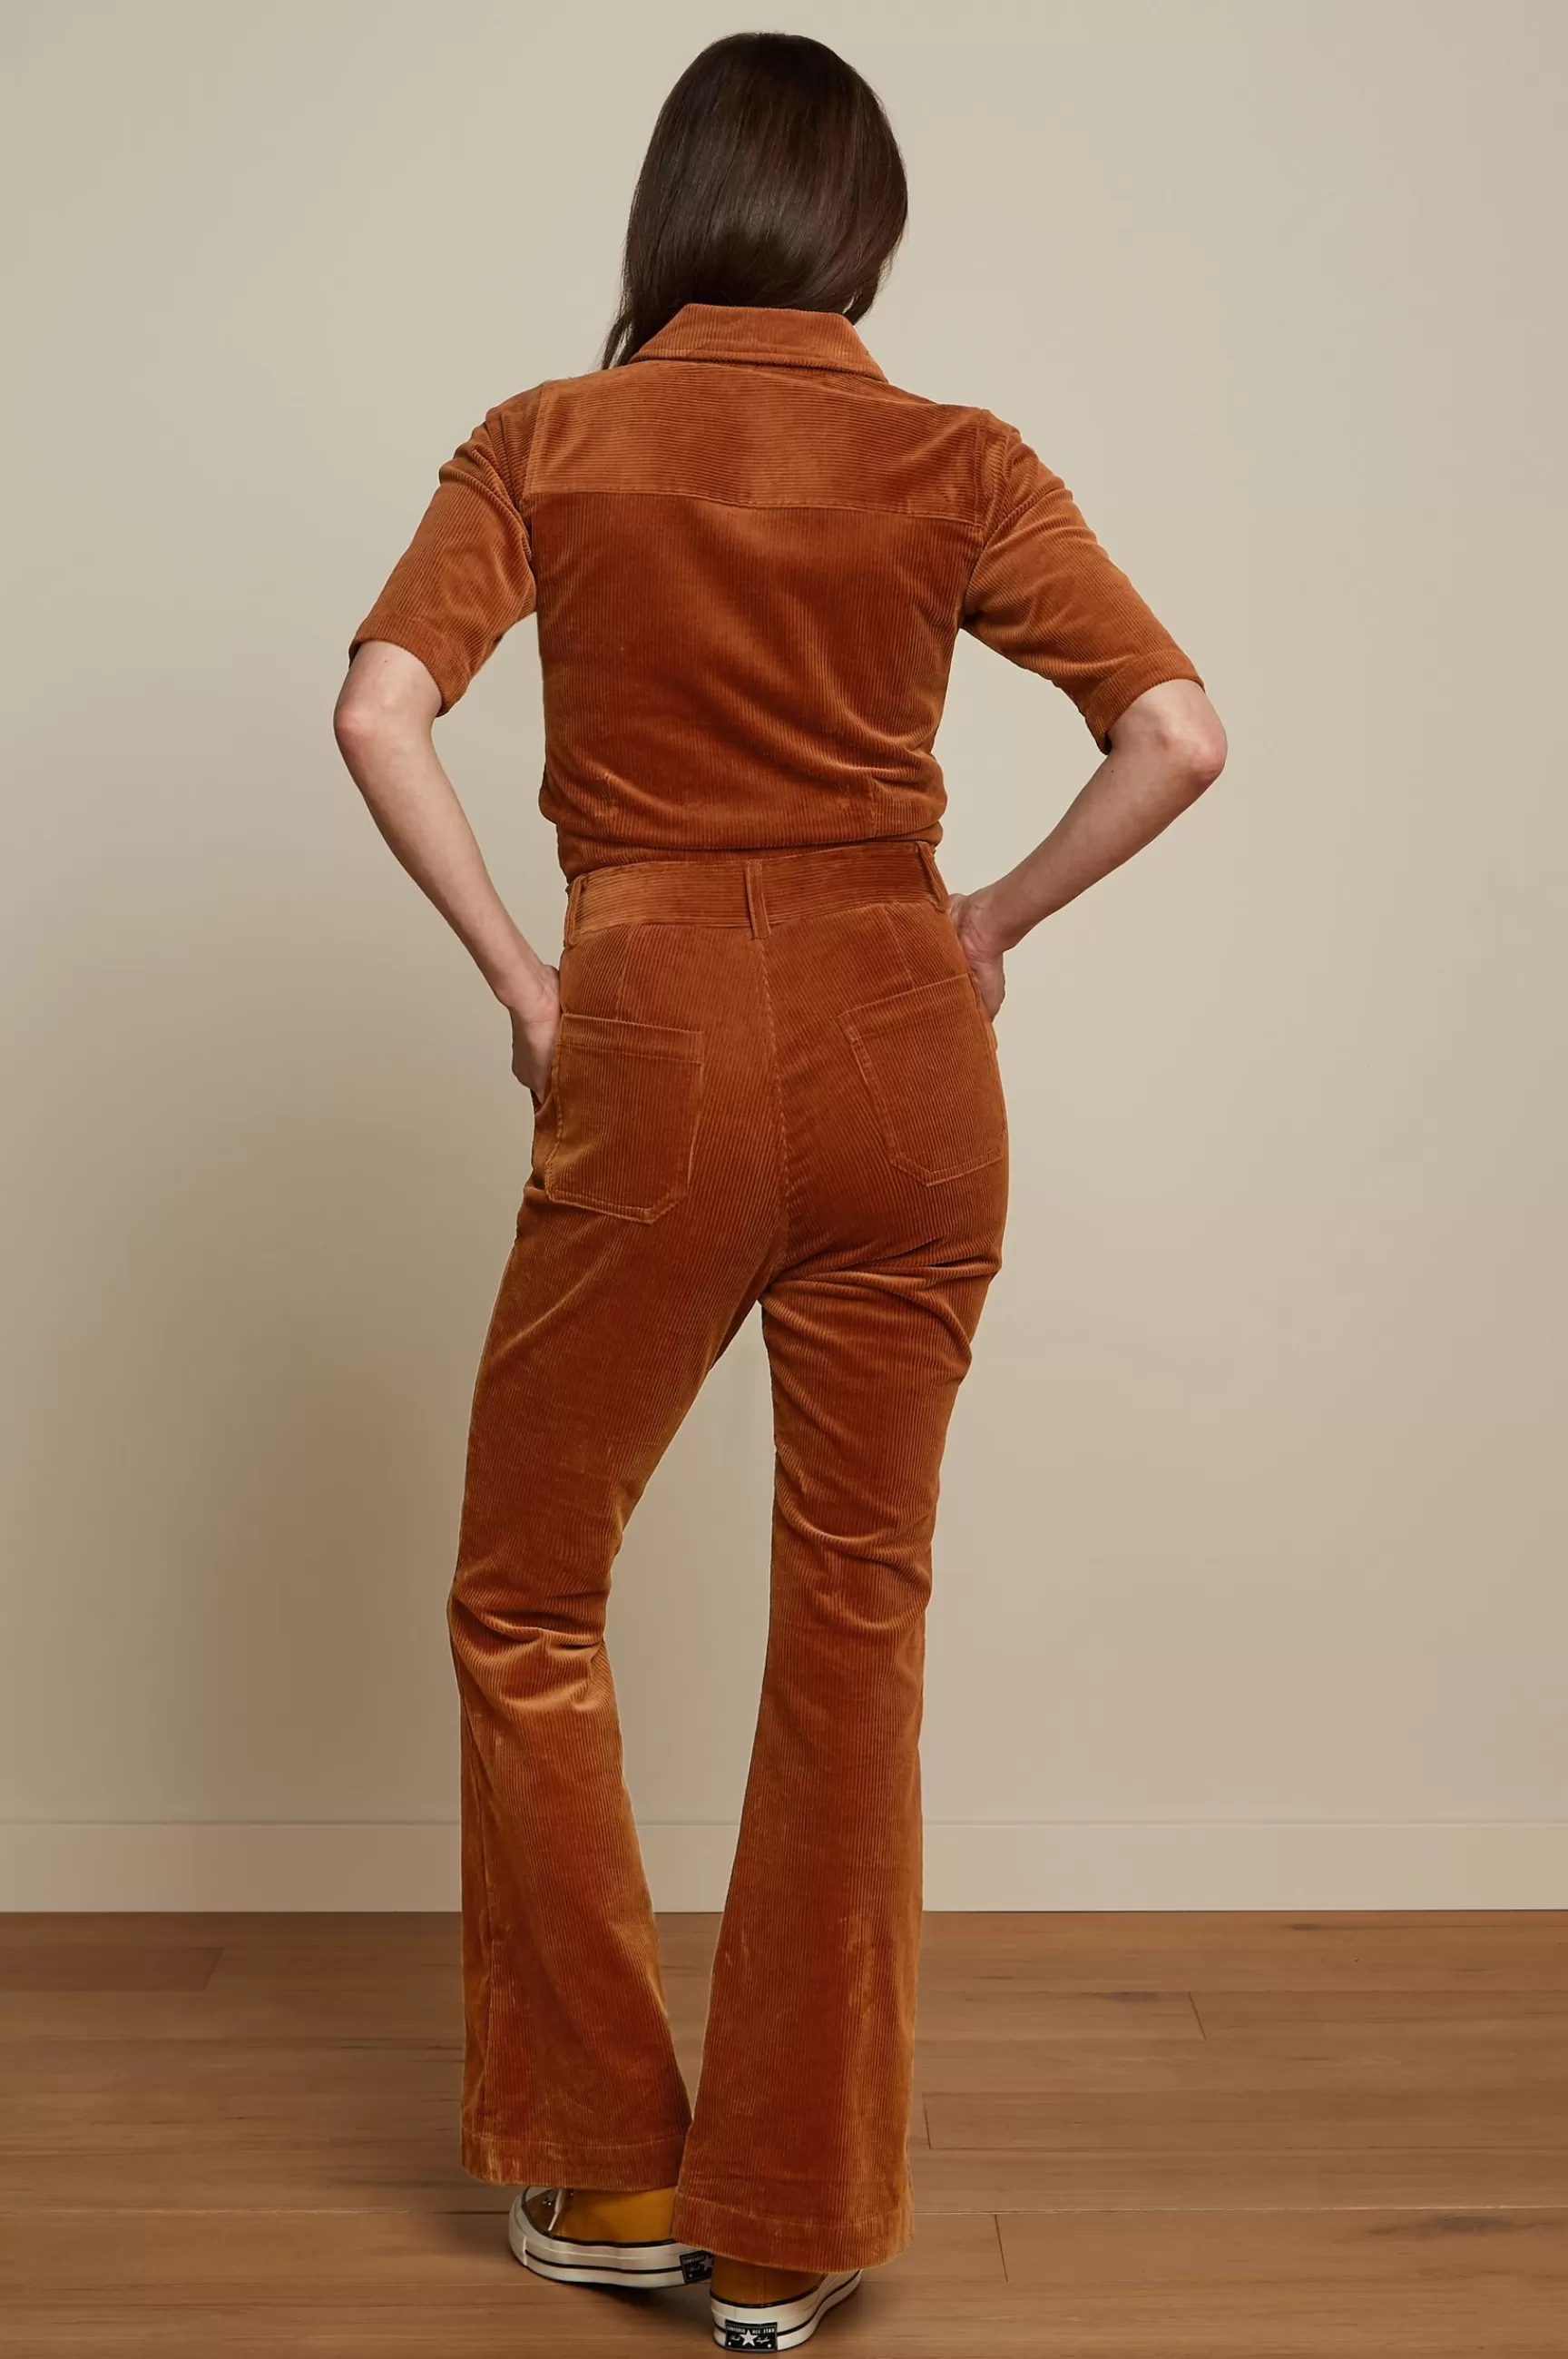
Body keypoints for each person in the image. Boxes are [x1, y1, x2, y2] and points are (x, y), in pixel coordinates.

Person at [333, 29, 1225, 2352]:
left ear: (671, 212)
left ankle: (616, 2166)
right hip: (901, 1049)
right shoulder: (956, 456)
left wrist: (526, 979)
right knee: (855, 1625)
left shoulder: (547, 437)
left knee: (530, 1598)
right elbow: (1174, 733)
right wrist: (988, 920)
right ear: (862, 237)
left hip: (649, 1038)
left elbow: (376, 708)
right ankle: (789, 2223)